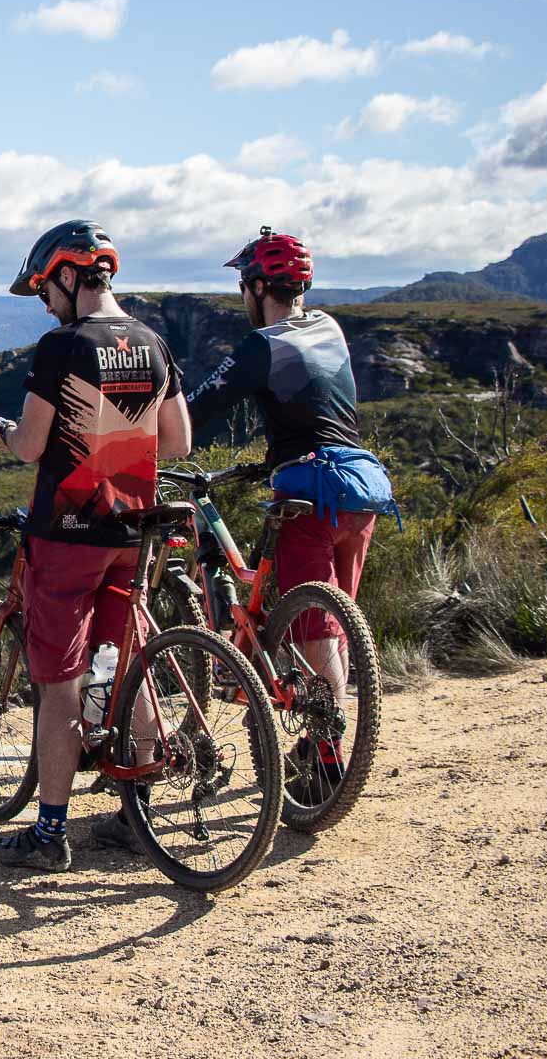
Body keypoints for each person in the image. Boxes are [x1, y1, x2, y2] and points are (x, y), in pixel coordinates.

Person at [0, 220, 191, 871]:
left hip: (67, 535)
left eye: (43, 289)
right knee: (124, 658)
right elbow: (176, 441)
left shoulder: (63, 345)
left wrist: (3, 435)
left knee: (62, 680)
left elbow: (33, 446)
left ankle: (50, 831)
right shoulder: (153, 342)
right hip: (133, 527)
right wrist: (117, 437)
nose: (43, 303)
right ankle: (137, 812)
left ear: (68, 276)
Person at [185, 226, 388, 800]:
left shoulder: (261, 344)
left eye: (242, 285)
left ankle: (328, 756)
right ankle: (320, 736)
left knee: (316, 624)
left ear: (255, 286)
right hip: (361, 490)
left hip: (310, 496)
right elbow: (315, 405)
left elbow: (197, 413)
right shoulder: (330, 325)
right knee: (336, 620)